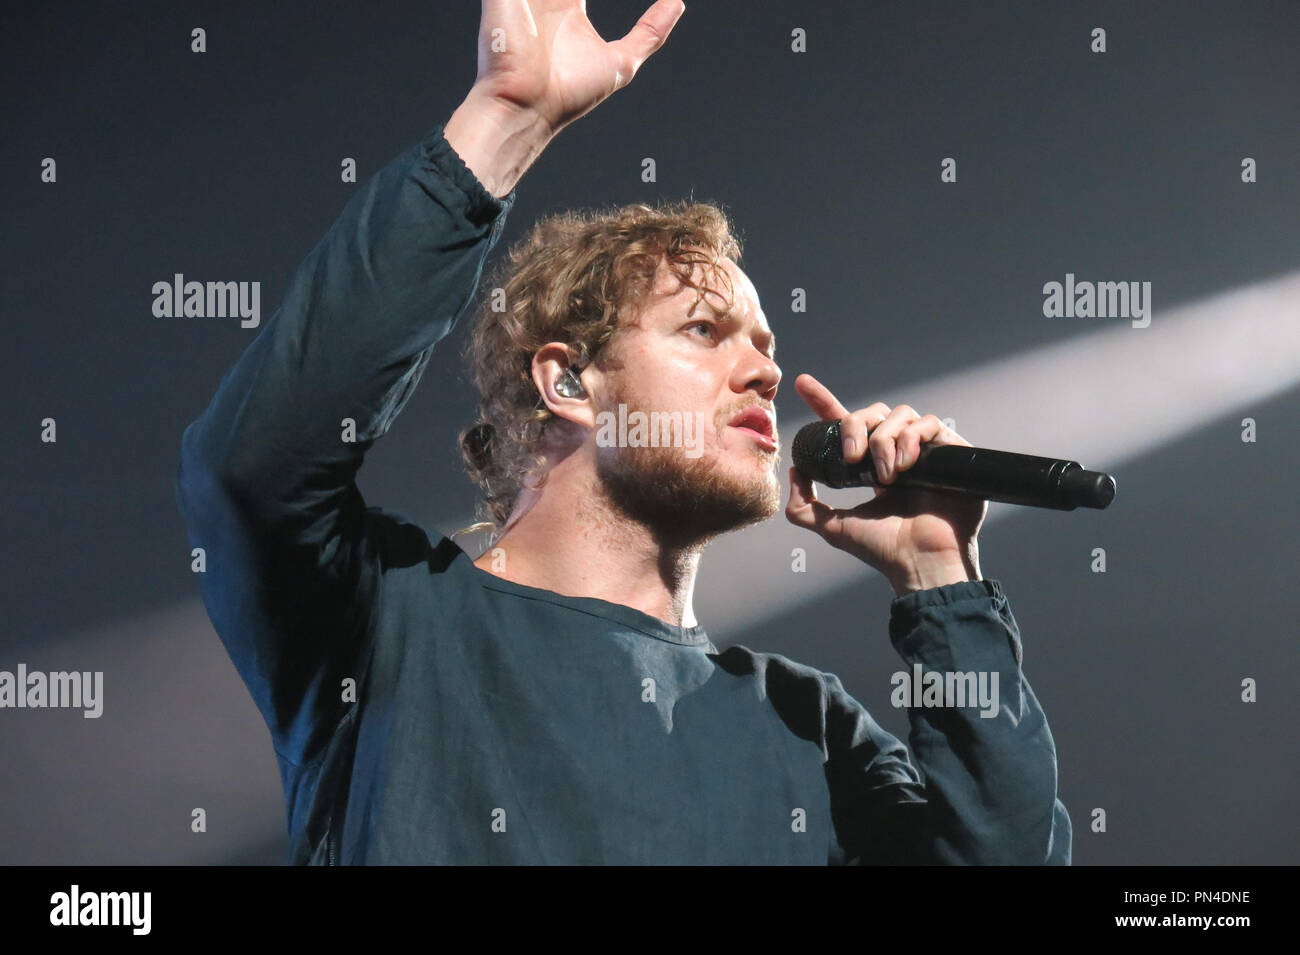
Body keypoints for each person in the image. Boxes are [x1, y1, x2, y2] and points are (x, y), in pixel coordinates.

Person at [175, 0, 1071, 864]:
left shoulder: (808, 728)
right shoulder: (388, 621)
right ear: (567, 380)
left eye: (765, 343)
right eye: (703, 331)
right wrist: (501, 123)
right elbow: (253, 465)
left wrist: (939, 580)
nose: (764, 371)